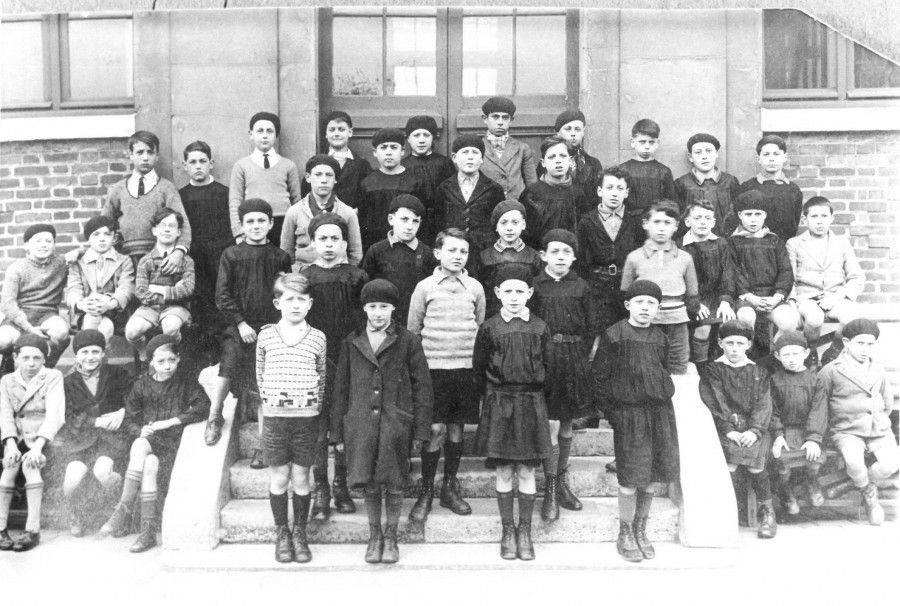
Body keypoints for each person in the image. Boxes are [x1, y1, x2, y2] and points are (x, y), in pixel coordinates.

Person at [332, 279, 433, 564]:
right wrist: (337, 433)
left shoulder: (408, 341)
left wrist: (420, 430)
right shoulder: (352, 341)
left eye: (384, 307)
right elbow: (341, 388)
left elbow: (422, 387)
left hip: (395, 423)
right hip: (361, 424)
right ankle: (374, 536)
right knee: (370, 483)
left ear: (393, 309)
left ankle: (391, 537)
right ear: (365, 308)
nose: (378, 313)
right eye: (373, 306)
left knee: (394, 481)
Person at [594, 280, 680, 562]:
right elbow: (600, 378)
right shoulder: (614, 334)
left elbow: (664, 370)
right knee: (630, 478)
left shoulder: (661, 338)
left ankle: (641, 530)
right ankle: (626, 531)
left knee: (651, 477)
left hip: (659, 414)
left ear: (658, 308)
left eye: (651, 303)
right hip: (629, 416)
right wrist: (613, 414)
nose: (645, 307)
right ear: (628, 305)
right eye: (640, 302)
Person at [100, 335, 210, 552]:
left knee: (143, 450)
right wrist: (141, 430)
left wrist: (169, 422)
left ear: (178, 359)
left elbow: (203, 407)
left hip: (174, 445)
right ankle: (147, 532)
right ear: (150, 362)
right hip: (151, 444)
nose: (167, 366)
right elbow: (129, 419)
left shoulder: (185, 382)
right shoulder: (142, 385)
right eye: (161, 361)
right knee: (146, 457)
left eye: (171, 360)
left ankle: (124, 507)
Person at [473, 264, 552, 560]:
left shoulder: (540, 327)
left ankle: (525, 531)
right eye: (508, 291)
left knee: (528, 470)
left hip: (531, 403)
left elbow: (550, 367)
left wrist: (541, 404)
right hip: (500, 403)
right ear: (497, 293)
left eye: (520, 291)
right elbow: (478, 367)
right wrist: (490, 400)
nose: (514, 297)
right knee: (505, 469)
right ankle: (508, 530)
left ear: (529, 293)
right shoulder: (489, 328)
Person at [407, 228, 486, 523]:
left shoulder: (475, 287)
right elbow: (413, 330)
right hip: (433, 369)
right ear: (438, 253)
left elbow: (479, 325)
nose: (457, 256)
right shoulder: (424, 287)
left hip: (464, 370)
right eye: (451, 250)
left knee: (456, 429)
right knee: (435, 429)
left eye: (463, 251)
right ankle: (426, 489)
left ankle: (449, 488)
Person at [205, 199, 292, 449]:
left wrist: (276, 326)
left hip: (270, 327)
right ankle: (215, 415)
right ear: (242, 225)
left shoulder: (280, 257)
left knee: (265, 381)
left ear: (271, 223)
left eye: (261, 220)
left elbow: (285, 294)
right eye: (250, 221)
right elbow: (222, 295)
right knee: (229, 363)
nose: (256, 226)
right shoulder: (231, 255)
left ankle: (264, 444)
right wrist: (241, 324)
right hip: (238, 326)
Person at [299, 214, 368, 519]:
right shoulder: (305, 278)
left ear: (344, 243)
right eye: (322, 239)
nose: (329, 245)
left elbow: (364, 321)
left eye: (335, 239)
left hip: (348, 358)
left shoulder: (356, 277)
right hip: (314, 360)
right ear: (313, 242)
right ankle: (321, 489)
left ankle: (341, 486)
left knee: (342, 423)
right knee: (318, 426)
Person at [255, 274, 327, 563]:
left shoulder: (318, 337)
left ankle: (300, 533)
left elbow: (321, 376)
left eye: (301, 299)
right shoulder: (266, 336)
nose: (295, 305)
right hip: (276, 418)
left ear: (310, 303)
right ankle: (282, 532)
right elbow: (260, 373)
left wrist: (312, 406)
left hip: (306, 419)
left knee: (301, 476)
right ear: (278, 303)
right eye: (289, 299)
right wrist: (272, 404)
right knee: (280, 476)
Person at [531, 229, 595, 521]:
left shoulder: (581, 286)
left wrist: (581, 358)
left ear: (574, 257)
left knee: (567, 423)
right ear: (543, 255)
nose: (560, 257)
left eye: (566, 252)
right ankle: (550, 487)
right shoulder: (535, 286)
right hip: (545, 359)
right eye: (554, 251)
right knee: (551, 424)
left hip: (573, 359)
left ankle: (561, 483)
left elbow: (591, 327)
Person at [699, 319, 777, 539]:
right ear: (720, 343)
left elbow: (764, 404)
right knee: (729, 464)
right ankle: (724, 513)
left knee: (756, 465)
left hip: (754, 428)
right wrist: (728, 428)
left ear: (748, 345)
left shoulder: (758, 372)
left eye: (740, 343)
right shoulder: (713, 370)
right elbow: (714, 400)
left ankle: (767, 513)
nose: (734, 349)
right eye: (730, 343)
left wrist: (754, 430)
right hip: (725, 427)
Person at [817, 319, 898, 526]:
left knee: (891, 464)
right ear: (846, 342)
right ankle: (870, 495)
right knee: (854, 462)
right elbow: (820, 405)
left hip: (878, 428)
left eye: (870, 344)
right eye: (860, 343)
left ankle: (858, 483)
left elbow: (887, 401)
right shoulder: (831, 370)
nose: (865, 349)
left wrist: (878, 420)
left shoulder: (878, 369)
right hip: (847, 430)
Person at [58, 329, 130, 537]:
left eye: (95, 352)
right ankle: (75, 514)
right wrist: (96, 421)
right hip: (80, 441)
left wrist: (123, 412)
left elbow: (134, 399)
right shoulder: (68, 382)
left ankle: (119, 512)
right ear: (76, 355)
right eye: (85, 352)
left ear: (103, 353)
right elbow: (67, 417)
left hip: (110, 439)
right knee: (73, 476)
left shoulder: (118, 374)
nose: (90, 357)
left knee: (103, 471)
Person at [0, 334, 64, 552]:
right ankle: (1, 528)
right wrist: (9, 444)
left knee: (31, 464)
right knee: (9, 465)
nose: (31, 363)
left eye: (37, 358)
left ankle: (32, 529)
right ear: (15, 358)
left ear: (44, 359)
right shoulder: (7, 381)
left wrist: (37, 447)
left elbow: (55, 416)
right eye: (25, 358)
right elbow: (5, 415)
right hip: (16, 436)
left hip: (43, 437)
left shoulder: (53, 377)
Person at [620, 201, 699, 375]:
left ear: (676, 226)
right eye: (656, 222)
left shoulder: (685, 258)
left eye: (667, 223)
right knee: (645, 368)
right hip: (646, 324)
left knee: (678, 367)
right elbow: (625, 294)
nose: (661, 228)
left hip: (677, 325)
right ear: (645, 224)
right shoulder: (634, 258)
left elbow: (693, 296)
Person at [786, 196, 863, 363]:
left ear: (832, 218)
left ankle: (834, 350)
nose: (819, 221)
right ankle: (811, 351)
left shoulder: (841, 243)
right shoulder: (795, 243)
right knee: (814, 319)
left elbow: (856, 277)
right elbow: (789, 277)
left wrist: (836, 297)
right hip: (807, 298)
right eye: (814, 216)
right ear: (804, 219)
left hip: (835, 297)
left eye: (824, 216)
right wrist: (791, 301)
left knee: (851, 317)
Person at [101, 130, 192, 266]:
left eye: (150, 152)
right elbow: (103, 224)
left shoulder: (167, 188)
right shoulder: (118, 189)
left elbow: (182, 223)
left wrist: (178, 252)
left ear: (157, 156)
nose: (145, 158)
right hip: (126, 261)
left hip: (158, 259)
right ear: (131, 155)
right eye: (140, 152)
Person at [575, 167, 644, 335]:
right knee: (599, 333)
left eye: (620, 188)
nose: (614, 193)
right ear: (600, 191)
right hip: (596, 286)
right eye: (609, 188)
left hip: (626, 284)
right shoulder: (587, 221)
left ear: (626, 193)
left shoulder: (634, 220)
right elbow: (581, 258)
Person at [728, 190, 799, 354]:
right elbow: (733, 272)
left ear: (765, 215)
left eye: (758, 214)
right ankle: (747, 355)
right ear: (739, 215)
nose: (753, 219)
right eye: (748, 214)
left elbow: (785, 271)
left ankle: (774, 355)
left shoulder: (775, 240)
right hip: (745, 298)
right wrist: (749, 296)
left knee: (789, 321)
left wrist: (777, 296)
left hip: (771, 297)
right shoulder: (732, 242)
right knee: (746, 317)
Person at [179, 140, 232, 343]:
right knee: (198, 305)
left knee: (220, 302)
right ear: (185, 165)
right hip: (194, 258)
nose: (198, 166)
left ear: (211, 163)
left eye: (202, 161)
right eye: (193, 162)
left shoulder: (225, 193)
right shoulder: (181, 196)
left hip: (219, 256)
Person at [768, 331, 826, 515]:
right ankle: (785, 490)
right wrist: (778, 435)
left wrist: (813, 438)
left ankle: (811, 481)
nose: (791, 359)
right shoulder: (774, 380)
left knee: (814, 460)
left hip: (807, 432)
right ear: (778, 356)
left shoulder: (815, 380)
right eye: (786, 354)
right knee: (782, 465)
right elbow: (771, 411)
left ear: (806, 353)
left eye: (796, 353)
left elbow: (818, 410)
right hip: (784, 432)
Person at [361, 194, 437, 327]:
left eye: (415, 221)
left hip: (414, 318)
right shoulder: (376, 250)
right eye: (404, 219)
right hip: (384, 319)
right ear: (391, 219)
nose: (409, 226)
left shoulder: (426, 253)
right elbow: (367, 288)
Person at [0, 224, 70, 367]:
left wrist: (79, 252)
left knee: (61, 332)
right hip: (19, 317)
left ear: (54, 245)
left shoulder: (61, 263)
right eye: (38, 241)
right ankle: (9, 363)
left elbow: (83, 254)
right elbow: (8, 304)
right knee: (3, 340)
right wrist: (28, 328)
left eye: (48, 241)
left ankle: (47, 366)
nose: (43, 245)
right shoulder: (16, 268)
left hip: (47, 314)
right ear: (26, 245)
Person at [433, 133, 505, 273]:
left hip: (484, 252)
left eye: (475, 152)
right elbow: (438, 223)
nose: (470, 157)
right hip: (453, 251)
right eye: (465, 152)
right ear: (454, 157)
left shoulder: (494, 189)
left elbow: (498, 223)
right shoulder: (444, 188)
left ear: (482, 159)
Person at [228, 112, 302, 246]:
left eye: (269, 131)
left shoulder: (288, 165)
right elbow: (235, 201)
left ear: (276, 135)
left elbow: (297, 200)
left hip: (283, 223)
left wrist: (298, 229)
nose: (265, 135)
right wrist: (238, 233)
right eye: (260, 131)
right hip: (253, 224)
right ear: (251, 134)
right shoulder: (241, 166)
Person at [125, 208, 195, 347]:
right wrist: (173, 291)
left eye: (172, 226)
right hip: (149, 308)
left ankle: (173, 353)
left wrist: (159, 290)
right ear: (154, 231)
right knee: (132, 331)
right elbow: (141, 291)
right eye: (163, 225)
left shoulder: (186, 261)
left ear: (178, 232)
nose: (167, 229)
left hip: (176, 308)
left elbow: (187, 290)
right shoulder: (145, 261)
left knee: (170, 328)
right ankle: (145, 353)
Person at [281, 154, 363, 270]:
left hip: (337, 274)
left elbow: (355, 254)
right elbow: (286, 252)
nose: (324, 180)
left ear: (335, 179)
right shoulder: (294, 212)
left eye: (329, 175)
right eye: (318, 174)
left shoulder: (347, 213)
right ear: (308, 177)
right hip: (304, 273)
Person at [680, 200, 736, 364]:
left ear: (713, 222)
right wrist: (694, 303)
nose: (703, 222)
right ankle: (701, 365)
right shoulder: (680, 246)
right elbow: (678, 279)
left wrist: (725, 301)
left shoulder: (721, 244)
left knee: (728, 325)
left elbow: (727, 275)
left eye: (707, 218)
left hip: (716, 297)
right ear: (687, 222)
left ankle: (722, 364)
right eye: (697, 218)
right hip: (691, 299)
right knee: (703, 328)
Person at [66, 216, 135, 343]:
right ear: (89, 238)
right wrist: (81, 304)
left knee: (106, 327)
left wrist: (110, 303)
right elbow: (73, 288)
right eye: (96, 234)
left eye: (107, 234)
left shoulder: (124, 260)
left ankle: (90, 352)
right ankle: (91, 352)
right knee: (96, 321)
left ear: (114, 238)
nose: (102, 238)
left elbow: (126, 287)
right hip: (85, 310)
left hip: (114, 311)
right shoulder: (79, 262)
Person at [359, 127, 428, 251]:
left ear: (402, 151)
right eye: (383, 147)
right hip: (376, 246)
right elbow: (363, 222)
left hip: (408, 246)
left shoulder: (415, 182)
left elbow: (423, 219)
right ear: (375, 152)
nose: (389, 152)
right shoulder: (368, 183)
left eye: (394, 147)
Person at [478, 200, 542, 318]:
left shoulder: (534, 257)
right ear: (496, 226)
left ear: (523, 224)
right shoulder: (485, 257)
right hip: (493, 317)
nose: (509, 228)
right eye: (504, 223)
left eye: (515, 222)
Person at [521, 136, 587, 248]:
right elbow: (526, 233)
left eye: (563, 156)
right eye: (552, 157)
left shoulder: (577, 193)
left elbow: (583, 232)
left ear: (570, 160)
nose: (558, 161)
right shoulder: (532, 193)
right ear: (543, 163)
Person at [402, 115, 456, 243]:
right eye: (416, 135)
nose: (421, 140)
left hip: (441, 220)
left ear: (433, 137)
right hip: (414, 221)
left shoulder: (444, 163)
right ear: (408, 138)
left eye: (426, 135)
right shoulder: (403, 166)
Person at [673, 133, 740, 237]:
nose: (704, 157)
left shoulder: (730, 181)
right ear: (690, 157)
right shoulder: (682, 184)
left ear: (716, 153)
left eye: (709, 151)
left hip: (725, 241)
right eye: (698, 152)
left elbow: (737, 213)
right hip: (693, 242)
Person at [740, 134, 803, 244]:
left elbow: (794, 223)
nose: (771, 158)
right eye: (766, 154)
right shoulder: (747, 187)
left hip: (783, 247)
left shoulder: (793, 190)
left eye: (776, 154)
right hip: (754, 246)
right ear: (758, 159)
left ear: (784, 157)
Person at [307, 110, 372, 210]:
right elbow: (307, 193)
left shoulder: (362, 165)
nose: (336, 134)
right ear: (326, 134)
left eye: (341, 129)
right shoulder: (316, 163)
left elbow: (368, 197)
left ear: (350, 132)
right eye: (332, 130)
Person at [479, 96, 537, 199]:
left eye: (505, 118)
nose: (500, 122)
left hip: (516, 203)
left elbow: (532, 184)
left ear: (511, 120)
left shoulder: (522, 148)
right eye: (495, 117)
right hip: (487, 203)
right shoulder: (477, 147)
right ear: (485, 119)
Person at [541, 109, 602, 206]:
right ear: (558, 133)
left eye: (577, 129)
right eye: (568, 129)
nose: (573, 133)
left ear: (583, 132)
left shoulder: (593, 163)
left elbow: (598, 198)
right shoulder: (548, 163)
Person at [620, 119, 676, 218]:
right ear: (632, 142)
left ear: (657, 143)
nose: (647, 146)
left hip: (655, 220)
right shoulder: (623, 169)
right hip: (629, 221)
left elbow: (670, 203)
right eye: (642, 142)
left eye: (651, 142)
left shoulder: (663, 171)